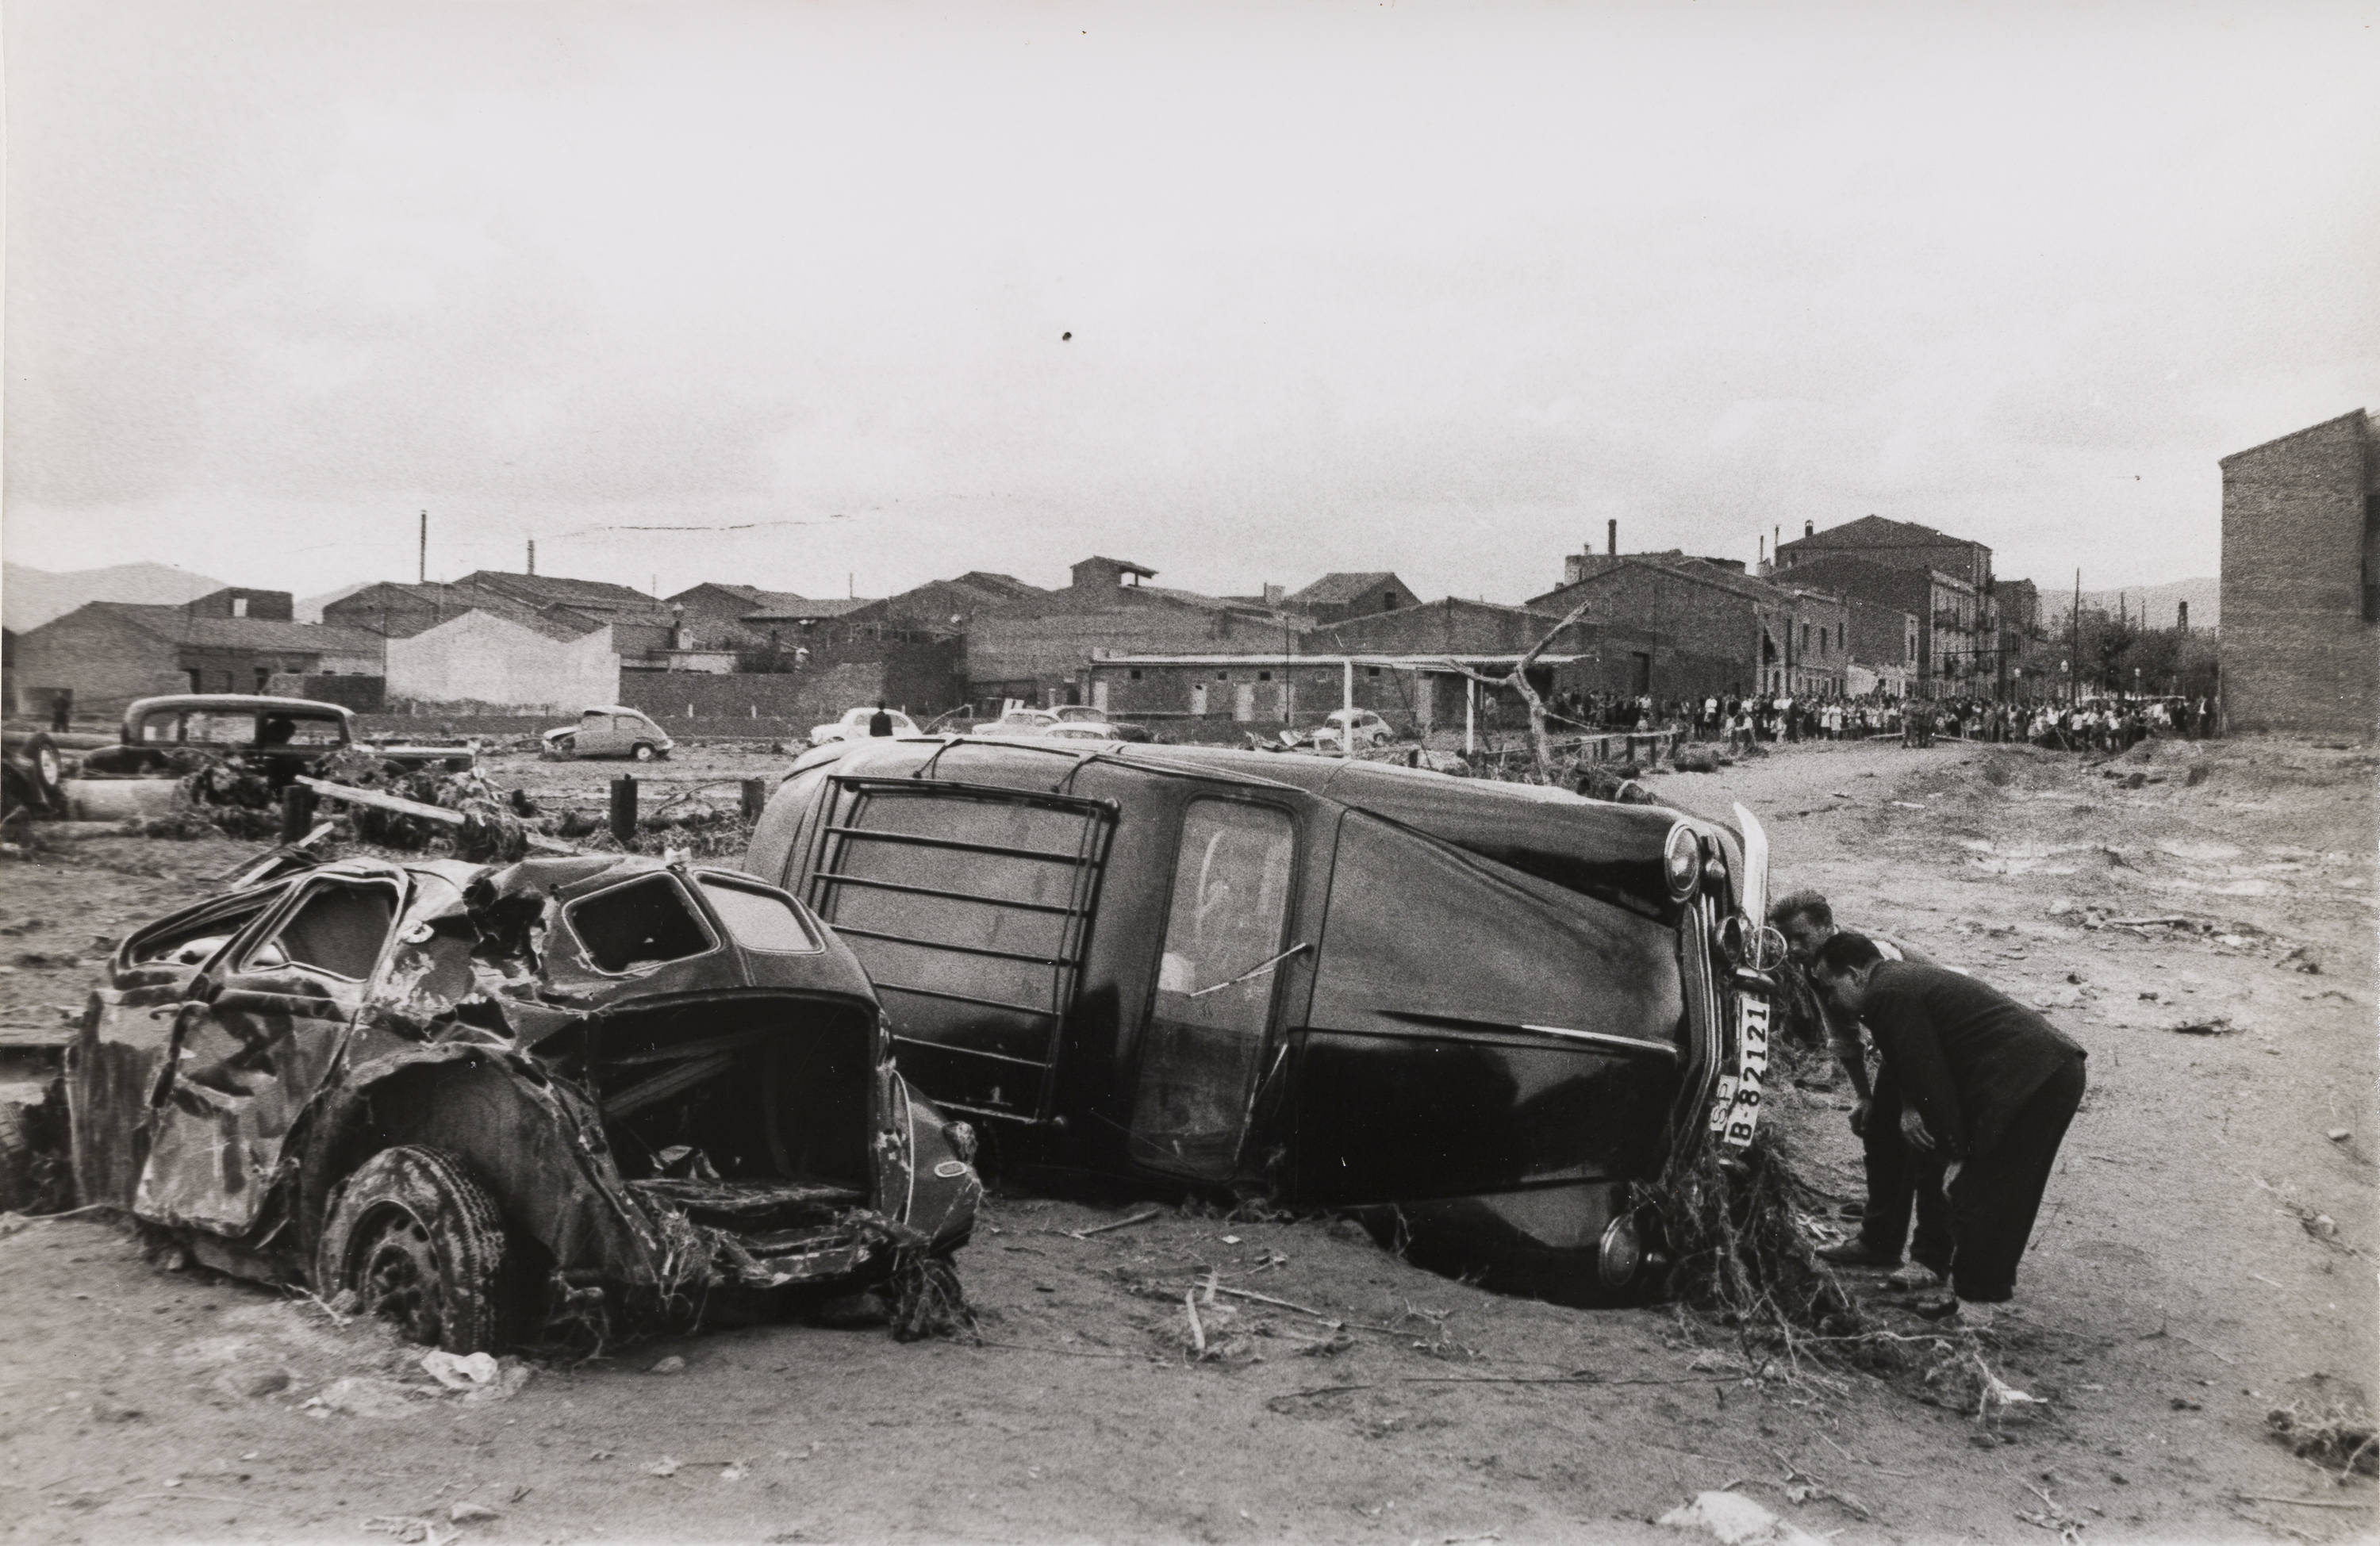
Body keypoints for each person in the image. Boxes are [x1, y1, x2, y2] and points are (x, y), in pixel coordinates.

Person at [1808, 933, 2087, 1327]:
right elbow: (1923, 1071)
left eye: (1830, 987)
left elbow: (1928, 1080)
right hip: (2030, 1072)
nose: (1831, 1001)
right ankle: (1970, 1298)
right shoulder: (1895, 983)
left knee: (1987, 1190)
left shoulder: (1887, 994)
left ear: (1854, 974)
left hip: (2036, 1078)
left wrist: (1956, 1154)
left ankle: (1976, 1310)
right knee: (1979, 1188)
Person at [1768, 892, 1952, 1287]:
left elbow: (1903, 1035)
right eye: (1787, 940)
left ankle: (1931, 1260)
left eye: (1801, 937)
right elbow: (1843, 1036)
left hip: (1944, 1037)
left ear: (1826, 926)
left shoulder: (1874, 955)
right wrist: (1864, 1097)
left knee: (1925, 1141)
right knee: (1880, 1130)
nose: (1794, 949)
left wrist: (1911, 1106)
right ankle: (1879, 1243)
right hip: (1904, 1044)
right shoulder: (1816, 970)